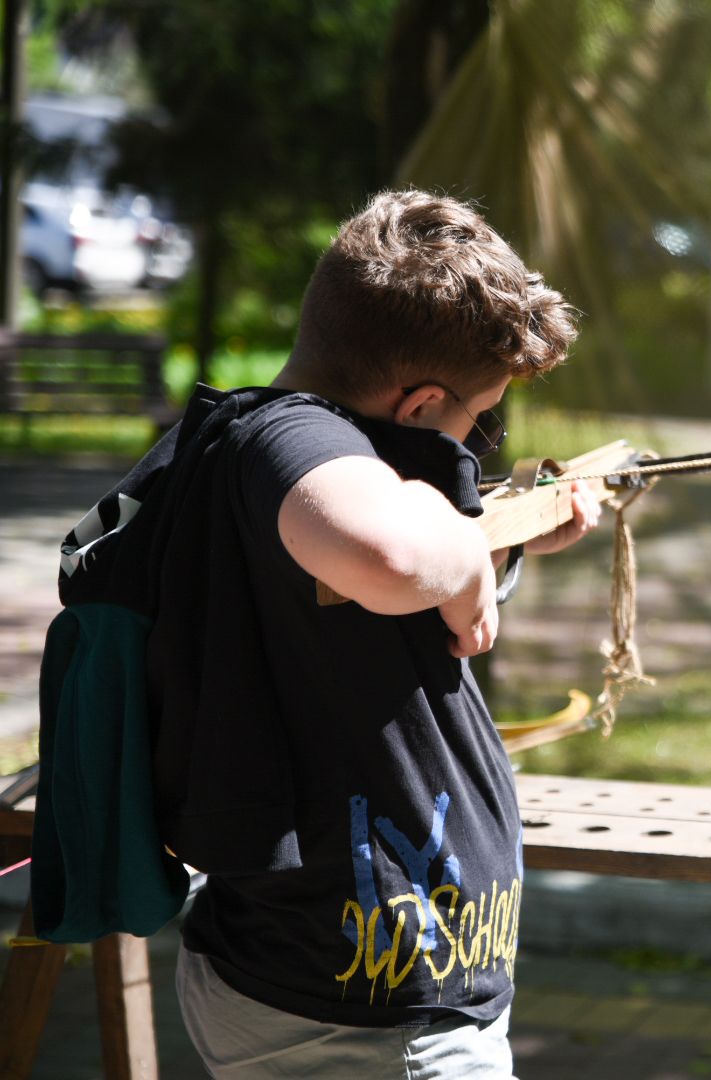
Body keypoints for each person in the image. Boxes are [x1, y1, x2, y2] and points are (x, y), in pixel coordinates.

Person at [160, 190, 599, 1077]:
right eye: (478, 417)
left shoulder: (294, 454)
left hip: (362, 988)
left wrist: (503, 540)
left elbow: (342, 604)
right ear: (419, 402)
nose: (475, 443)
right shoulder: (288, 439)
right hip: (367, 1019)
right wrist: (465, 565)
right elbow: (395, 558)